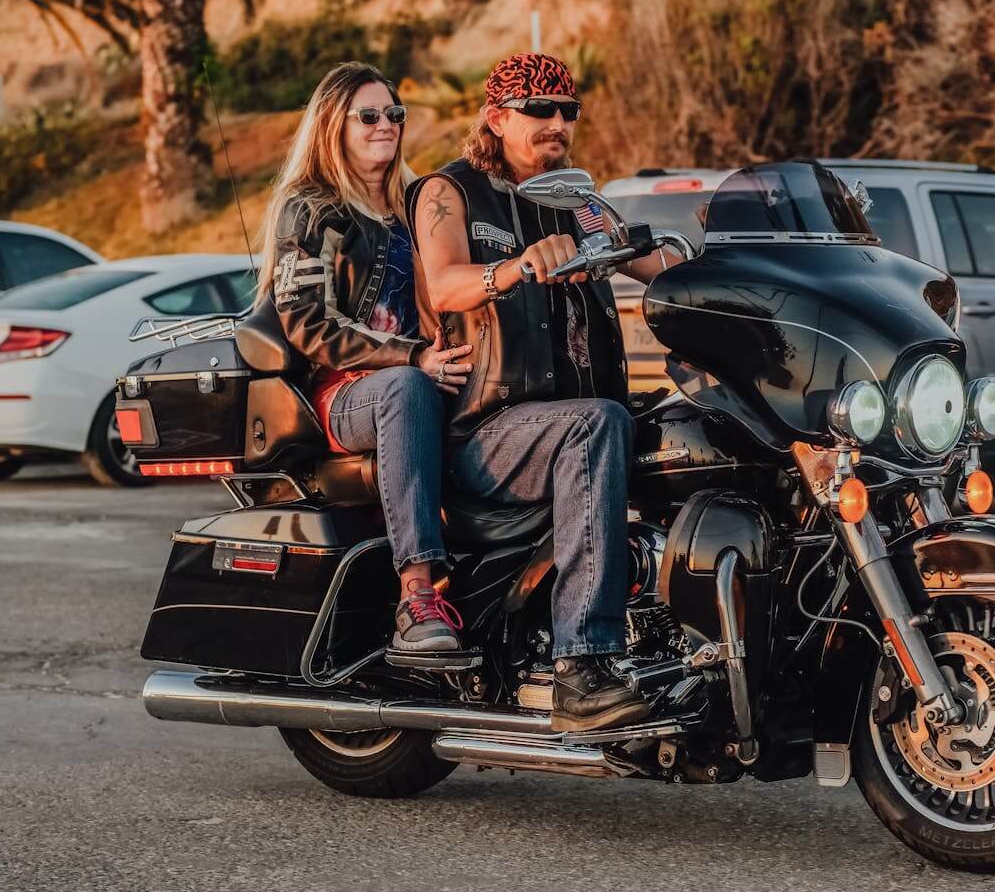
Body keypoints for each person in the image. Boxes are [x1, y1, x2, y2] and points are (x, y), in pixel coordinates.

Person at [409, 52, 683, 732]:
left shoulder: (578, 200)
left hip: (569, 419)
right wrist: (516, 267)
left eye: (569, 112)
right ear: (496, 117)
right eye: (540, 109)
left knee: (693, 427)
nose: (558, 122)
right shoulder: (451, 192)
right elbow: (443, 284)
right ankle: (581, 667)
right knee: (597, 424)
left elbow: (656, 262)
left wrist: (716, 269)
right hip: (486, 430)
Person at [259, 61, 473, 661]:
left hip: (428, 375)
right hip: (345, 393)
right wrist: (412, 357)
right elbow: (306, 323)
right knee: (404, 388)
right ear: (334, 124)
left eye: (396, 114)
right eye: (370, 116)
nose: (387, 125)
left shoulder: (417, 203)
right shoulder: (314, 209)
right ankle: (417, 595)